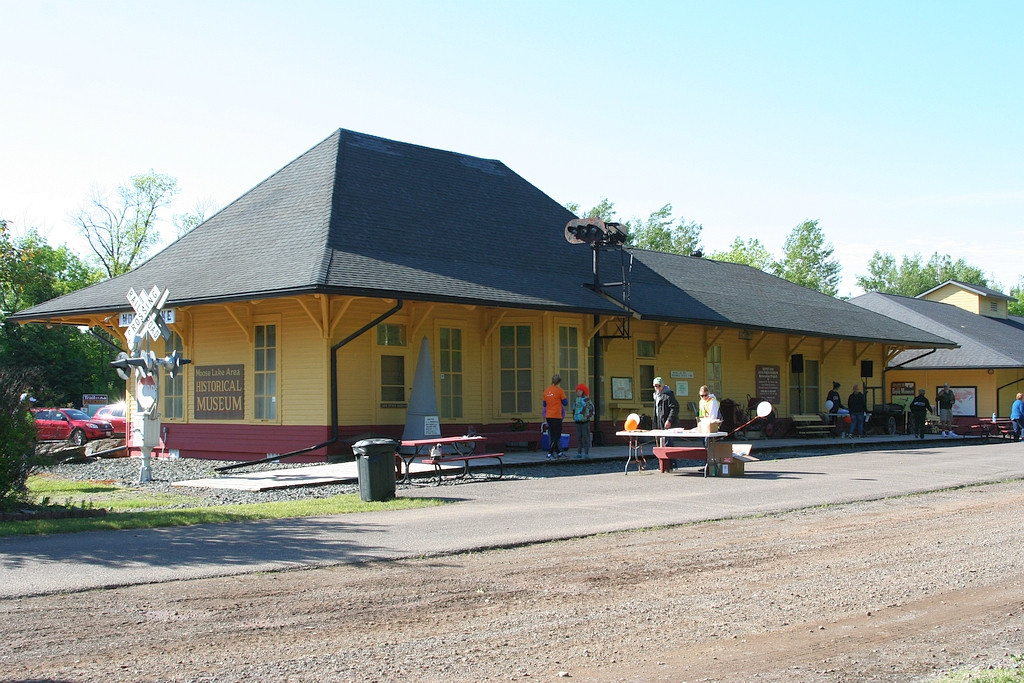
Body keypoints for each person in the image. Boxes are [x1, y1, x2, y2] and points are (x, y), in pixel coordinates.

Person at [542, 374, 568, 459]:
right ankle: (550, 453)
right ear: (559, 381)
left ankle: (559, 452)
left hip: (548, 415)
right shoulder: (560, 391)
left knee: (552, 433)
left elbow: (544, 404)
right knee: (557, 435)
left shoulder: (546, 391)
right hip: (557, 415)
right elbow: (565, 402)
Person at [572, 383, 595, 458]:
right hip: (578, 421)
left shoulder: (587, 400)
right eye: (577, 391)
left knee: (586, 437)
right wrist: (574, 417)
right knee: (578, 437)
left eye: (580, 391)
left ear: (583, 391)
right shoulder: (575, 400)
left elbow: (592, 410)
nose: (578, 392)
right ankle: (579, 453)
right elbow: (574, 409)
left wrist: (587, 417)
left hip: (585, 422)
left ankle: (586, 453)